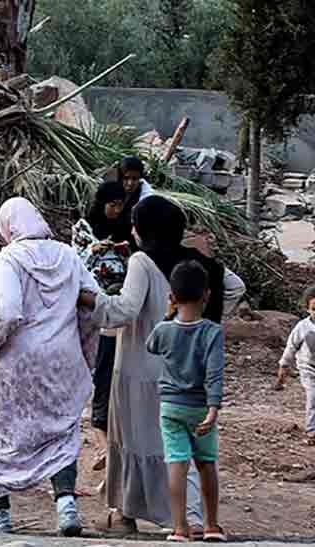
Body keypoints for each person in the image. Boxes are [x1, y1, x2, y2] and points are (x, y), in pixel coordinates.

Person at [82, 195, 245, 538]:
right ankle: (193, 519)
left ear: (144, 229)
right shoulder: (199, 263)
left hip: (141, 370)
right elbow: (235, 286)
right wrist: (205, 318)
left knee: (136, 443)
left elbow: (124, 310)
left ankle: (126, 515)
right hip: (189, 377)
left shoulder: (142, 261)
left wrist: (90, 298)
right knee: (184, 451)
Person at [0, 197, 101, 537]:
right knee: (61, 431)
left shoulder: (10, 257)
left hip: (16, 362)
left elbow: (8, 312)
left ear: (9, 227)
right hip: (61, 361)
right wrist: (83, 351)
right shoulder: (67, 254)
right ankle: (66, 508)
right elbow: (93, 303)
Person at [146, 260, 226, 543]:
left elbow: (150, 345)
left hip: (170, 408)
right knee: (206, 463)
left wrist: (168, 315)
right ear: (207, 295)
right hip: (201, 408)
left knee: (177, 464)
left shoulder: (164, 331)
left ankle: (180, 528)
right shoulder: (212, 332)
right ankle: (212, 526)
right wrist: (213, 409)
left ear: (172, 297)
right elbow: (215, 374)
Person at [71, 181, 133, 481]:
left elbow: (134, 261)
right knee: (97, 366)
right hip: (91, 304)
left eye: (121, 204)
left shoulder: (126, 228)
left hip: (120, 305)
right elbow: (77, 264)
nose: (116, 210)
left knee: (113, 369)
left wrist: (122, 251)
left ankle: (109, 438)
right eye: (112, 204)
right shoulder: (83, 228)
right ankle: (100, 434)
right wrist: (96, 250)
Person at [274, 286, 315, 445]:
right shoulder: (302, 327)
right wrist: (283, 367)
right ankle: (312, 431)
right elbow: (291, 347)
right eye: (314, 308)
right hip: (308, 368)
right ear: (307, 309)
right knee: (313, 397)